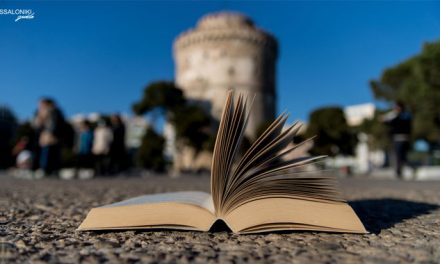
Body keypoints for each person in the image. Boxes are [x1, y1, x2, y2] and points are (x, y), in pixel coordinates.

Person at [33, 98, 65, 176]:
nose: (39, 105)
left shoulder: (54, 111)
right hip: (45, 135)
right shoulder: (40, 112)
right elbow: (37, 125)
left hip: (52, 136)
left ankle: (50, 170)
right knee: (46, 152)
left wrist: (52, 133)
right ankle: (46, 169)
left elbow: (56, 124)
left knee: (51, 153)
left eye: (41, 103)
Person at [382, 101, 412, 178]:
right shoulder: (396, 115)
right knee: (399, 155)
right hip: (398, 138)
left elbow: (404, 124)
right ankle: (399, 171)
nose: (395, 108)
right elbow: (385, 121)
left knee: (402, 155)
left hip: (403, 138)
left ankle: (405, 170)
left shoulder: (403, 116)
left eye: (396, 107)